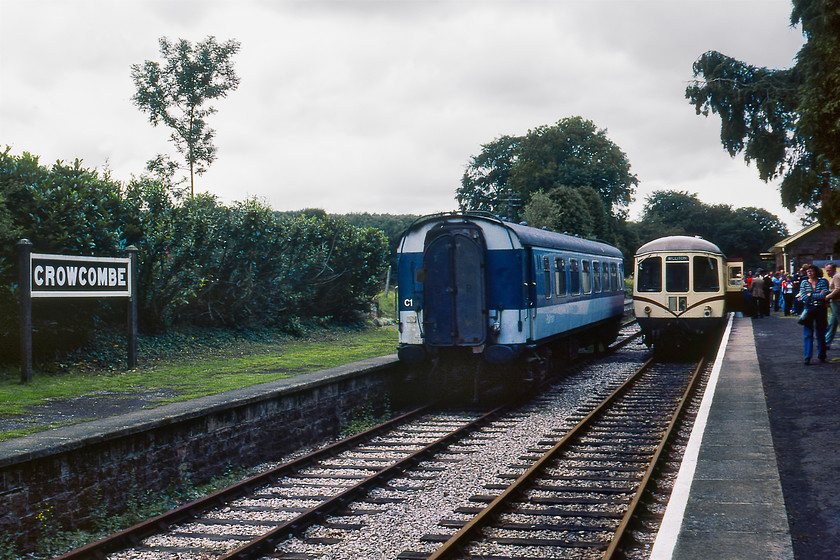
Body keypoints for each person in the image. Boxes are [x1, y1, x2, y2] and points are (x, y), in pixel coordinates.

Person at [798, 264, 830, 365]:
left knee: (821, 333)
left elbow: (824, 294)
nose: (809, 273)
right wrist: (817, 295)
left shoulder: (822, 282)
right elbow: (803, 297)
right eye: (808, 272)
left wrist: (811, 294)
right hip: (809, 309)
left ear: (816, 272)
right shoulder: (804, 282)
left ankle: (822, 355)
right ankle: (807, 357)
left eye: (811, 271)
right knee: (808, 334)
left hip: (820, 309)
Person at [824, 262, 840, 349]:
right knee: (832, 323)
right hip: (835, 302)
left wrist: (828, 296)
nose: (828, 272)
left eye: (829, 270)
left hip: (837, 302)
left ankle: (827, 342)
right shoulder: (834, 276)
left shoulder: (837, 276)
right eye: (826, 271)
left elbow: (838, 288)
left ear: (834, 269)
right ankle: (827, 342)